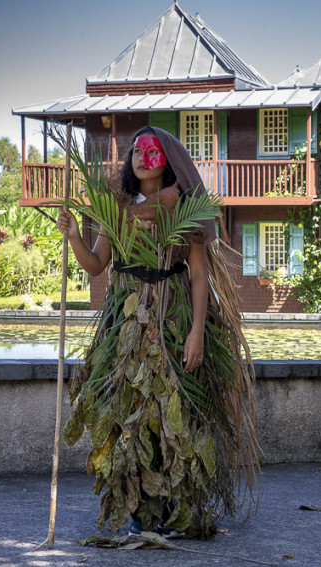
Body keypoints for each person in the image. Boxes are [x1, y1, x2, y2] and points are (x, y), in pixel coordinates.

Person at [57, 126, 258, 539]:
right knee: (127, 412)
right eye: (135, 150)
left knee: (174, 413)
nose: (139, 155)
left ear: (167, 159)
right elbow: (97, 266)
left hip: (173, 318)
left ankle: (173, 508)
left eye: (150, 150)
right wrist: (74, 236)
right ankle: (137, 512)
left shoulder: (186, 207)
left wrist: (197, 332)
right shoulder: (117, 207)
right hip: (126, 323)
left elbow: (199, 275)